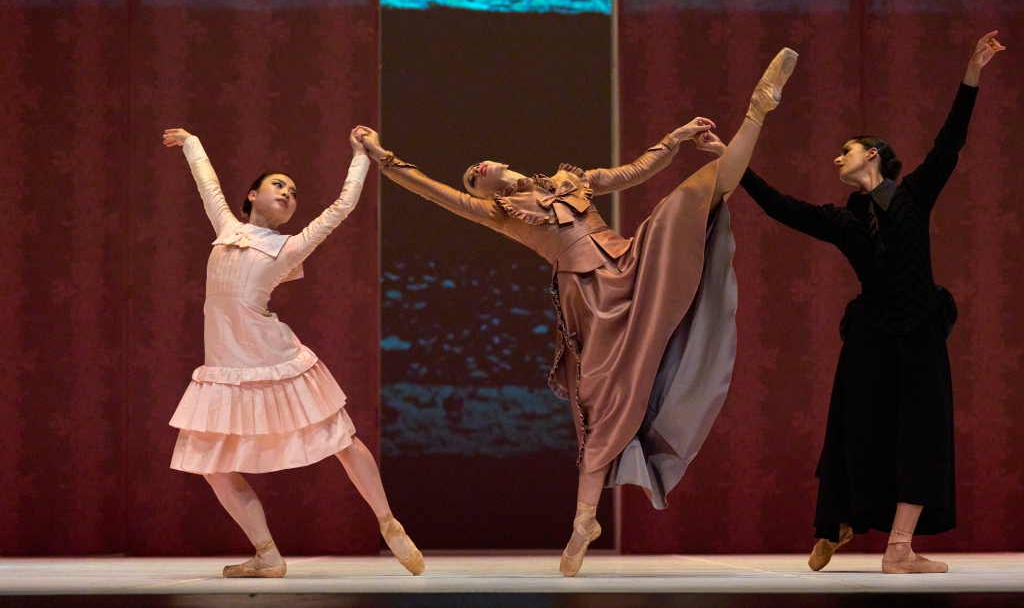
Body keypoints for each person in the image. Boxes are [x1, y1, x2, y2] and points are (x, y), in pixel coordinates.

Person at [355, 48, 798, 576]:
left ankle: (757, 110)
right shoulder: (498, 212)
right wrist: (381, 154)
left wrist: (676, 140)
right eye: (472, 178)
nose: (475, 172)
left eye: (477, 167)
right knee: (601, 406)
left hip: (631, 262)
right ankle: (584, 520)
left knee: (693, 195)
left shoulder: (572, 179)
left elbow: (634, 172)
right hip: (590, 299)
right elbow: (429, 189)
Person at [735, 32, 1005, 574]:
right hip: (872, 334)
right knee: (858, 428)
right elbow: (778, 207)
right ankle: (836, 523)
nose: (837, 156)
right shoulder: (844, 220)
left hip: (922, 327)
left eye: (846, 149)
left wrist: (972, 71)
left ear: (874, 154)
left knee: (922, 432)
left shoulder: (914, 194)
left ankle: (899, 549)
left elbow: (950, 141)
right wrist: (731, 161)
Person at [162, 126, 424, 578]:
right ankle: (267, 553)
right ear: (252, 195)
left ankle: (388, 521)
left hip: (275, 358)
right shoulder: (226, 226)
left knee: (342, 440)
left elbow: (342, 208)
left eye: (294, 191)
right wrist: (191, 143)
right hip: (226, 368)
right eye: (278, 185)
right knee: (212, 465)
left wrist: (360, 154)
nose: (287, 192)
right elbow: (207, 183)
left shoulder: (288, 247)